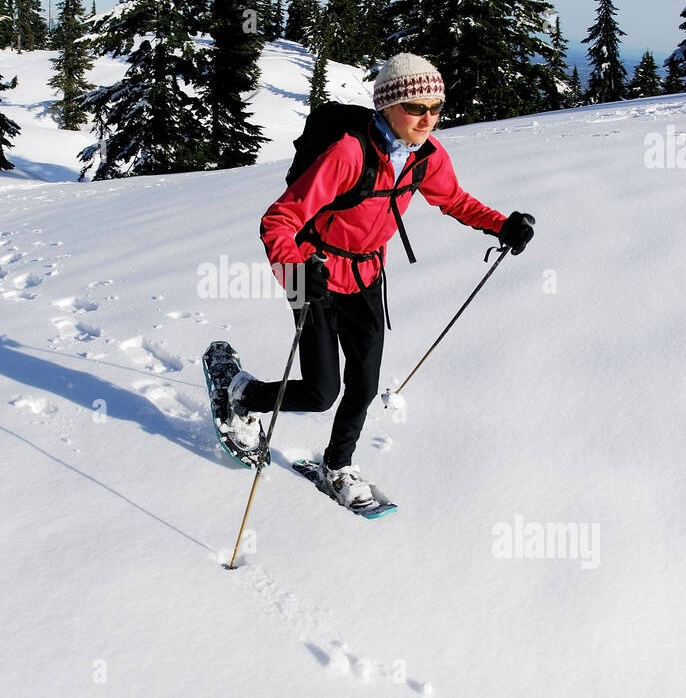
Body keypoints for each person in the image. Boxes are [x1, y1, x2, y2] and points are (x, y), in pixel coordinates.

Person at [226, 53, 535, 509]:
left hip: (367, 275)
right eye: (415, 107)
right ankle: (240, 394)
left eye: (435, 108)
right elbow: (278, 220)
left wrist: (500, 225)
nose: (427, 118)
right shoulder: (349, 152)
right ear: (387, 106)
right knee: (319, 393)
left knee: (364, 385)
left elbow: (454, 200)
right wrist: (295, 269)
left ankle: (338, 465)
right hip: (311, 274)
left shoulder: (426, 156)